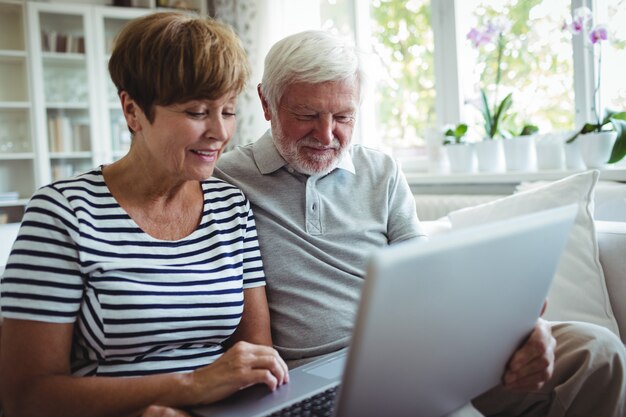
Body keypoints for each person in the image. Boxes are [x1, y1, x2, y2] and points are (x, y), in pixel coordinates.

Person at [215, 30, 626, 416]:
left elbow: (430, 278)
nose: (327, 135)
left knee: (597, 350)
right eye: (307, 114)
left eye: (344, 116)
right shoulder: (226, 180)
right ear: (267, 103)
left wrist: (515, 326)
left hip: (424, 353)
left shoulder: (382, 171)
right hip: (324, 373)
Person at [0, 12, 288, 417]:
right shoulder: (63, 213)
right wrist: (189, 387)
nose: (220, 133)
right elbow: (25, 397)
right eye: (196, 112)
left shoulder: (230, 206)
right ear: (133, 110)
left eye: (227, 110)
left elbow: (257, 358)